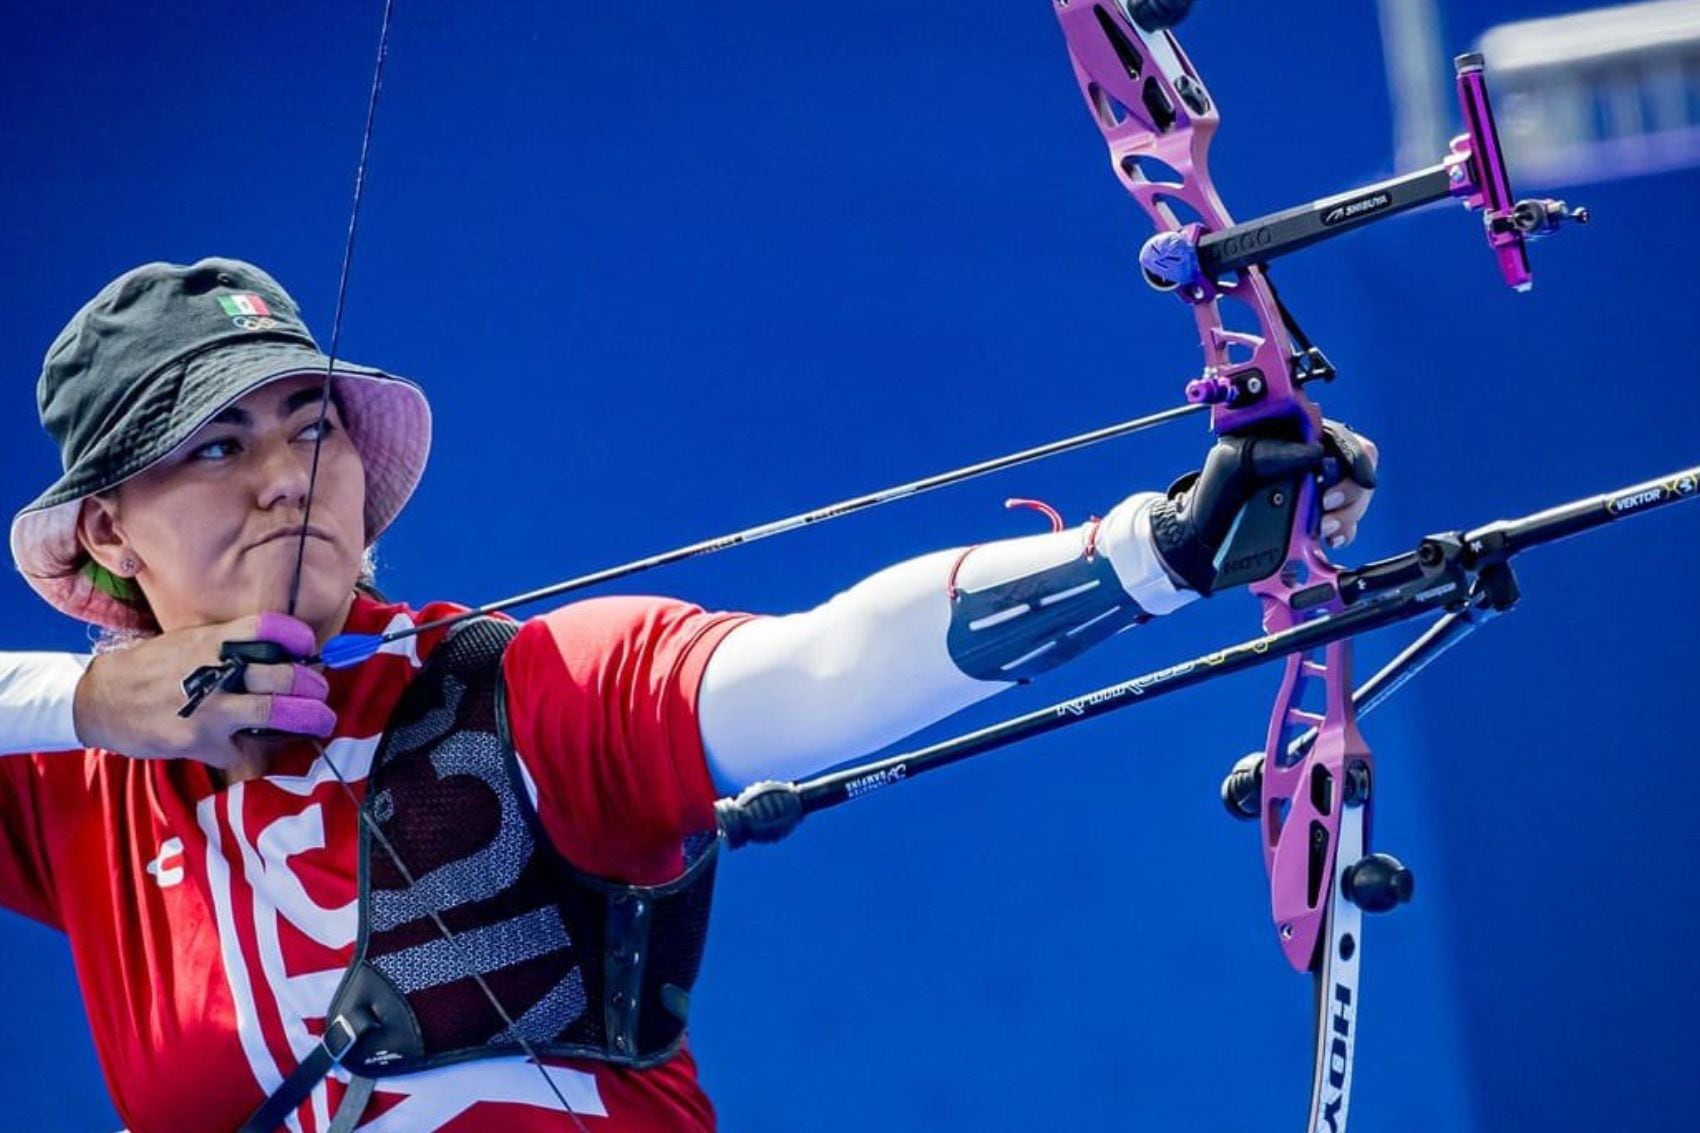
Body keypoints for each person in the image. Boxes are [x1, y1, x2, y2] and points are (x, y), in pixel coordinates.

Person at [0, 258, 1376, 1133]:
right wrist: (91, 700)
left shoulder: (518, 692)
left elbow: (815, 670)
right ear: (109, 532)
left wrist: (1161, 547)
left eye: (311, 426)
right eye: (218, 443)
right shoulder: (77, 786)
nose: (289, 471)